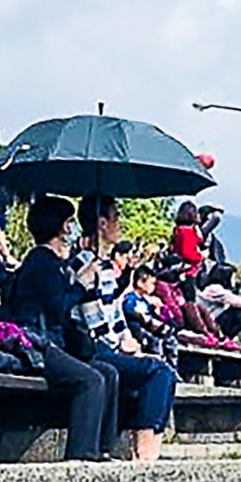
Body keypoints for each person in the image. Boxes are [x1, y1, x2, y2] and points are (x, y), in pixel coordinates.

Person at [4, 196, 119, 462]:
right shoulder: (40, 261)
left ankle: (103, 447)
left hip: (52, 342)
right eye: (67, 223)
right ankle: (81, 453)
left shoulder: (54, 263)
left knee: (109, 373)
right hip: (34, 342)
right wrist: (81, 285)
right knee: (91, 380)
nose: (70, 230)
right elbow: (57, 306)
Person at [74, 194, 176, 462]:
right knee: (158, 371)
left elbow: (116, 318)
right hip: (92, 349)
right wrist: (122, 346)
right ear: (101, 223)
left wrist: (128, 340)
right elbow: (92, 321)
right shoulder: (84, 265)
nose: (120, 223)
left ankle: (149, 447)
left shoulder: (107, 268)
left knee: (163, 369)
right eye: (116, 217)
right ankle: (145, 453)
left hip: (110, 345)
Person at [122, 265, 185, 370]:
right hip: (139, 329)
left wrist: (160, 309)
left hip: (152, 328)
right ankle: (159, 368)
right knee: (155, 342)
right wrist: (145, 319)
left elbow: (167, 318)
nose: (154, 287)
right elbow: (130, 313)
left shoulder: (148, 301)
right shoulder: (130, 299)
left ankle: (172, 368)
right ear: (140, 283)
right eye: (152, 283)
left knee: (171, 341)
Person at [170, 201, 207, 283]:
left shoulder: (178, 230)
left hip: (181, 268)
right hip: (189, 271)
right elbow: (188, 253)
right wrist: (201, 256)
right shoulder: (187, 232)